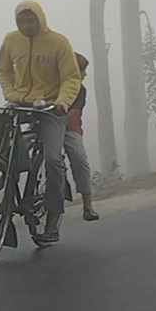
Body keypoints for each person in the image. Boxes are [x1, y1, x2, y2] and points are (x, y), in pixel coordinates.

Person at [0, 0, 82, 243]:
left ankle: (53, 218)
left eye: (30, 20)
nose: (26, 25)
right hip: (19, 102)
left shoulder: (58, 42)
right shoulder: (11, 40)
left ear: (40, 19)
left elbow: (71, 77)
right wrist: (11, 93)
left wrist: (62, 103)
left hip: (51, 107)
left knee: (53, 159)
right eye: (21, 21)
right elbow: (3, 69)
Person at [65, 53, 100, 222]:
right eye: (82, 70)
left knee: (79, 158)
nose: (84, 74)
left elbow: (74, 114)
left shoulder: (80, 90)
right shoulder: (46, 85)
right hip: (42, 125)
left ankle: (88, 204)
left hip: (69, 129)